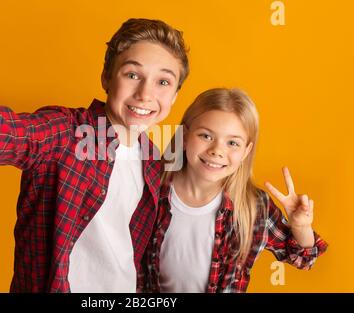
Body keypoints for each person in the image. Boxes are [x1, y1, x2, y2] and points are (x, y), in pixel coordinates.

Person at [0, 18, 189, 292]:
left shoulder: (154, 160)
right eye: (132, 74)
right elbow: (2, 131)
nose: (145, 94)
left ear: (175, 95)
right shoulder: (67, 134)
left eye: (163, 82)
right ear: (106, 78)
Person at [139, 88, 328, 293]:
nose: (217, 151)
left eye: (232, 143)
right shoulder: (150, 187)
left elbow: (304, 259)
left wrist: (301, 226)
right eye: (206, 136)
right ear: (184, 136)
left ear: (246, 151)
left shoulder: (255, 207)